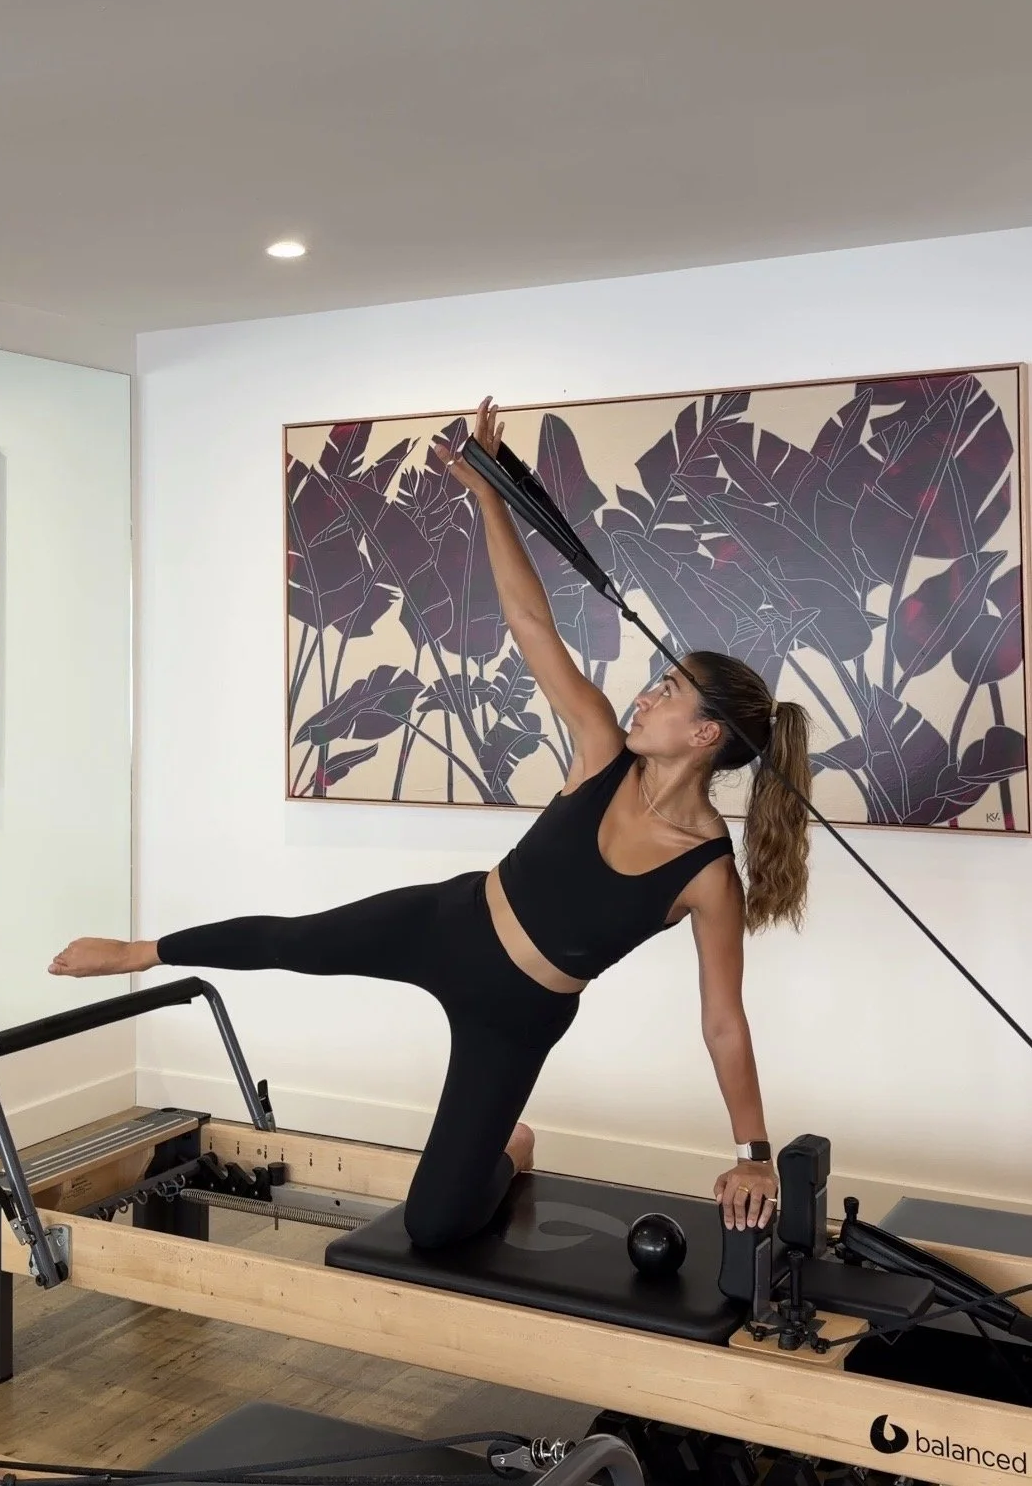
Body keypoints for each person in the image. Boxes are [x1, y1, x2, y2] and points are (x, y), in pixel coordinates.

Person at [50, 397, 812, 1250]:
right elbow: (530, 622)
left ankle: (510, 1148)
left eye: (668, 692)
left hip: (517, 1015)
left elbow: (723, 1020)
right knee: (295, 939)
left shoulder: (708, 874)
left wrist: (753, 1155)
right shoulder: (601, 748)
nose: (645, 694)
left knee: (436, 1222)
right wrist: (489, 494)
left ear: (707, 735)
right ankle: (142, 951)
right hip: (449, 921)